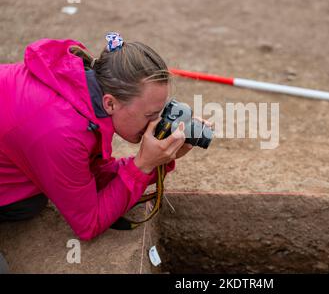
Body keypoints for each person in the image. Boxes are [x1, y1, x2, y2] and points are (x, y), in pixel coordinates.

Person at [0, 32, 196, 240]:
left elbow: (91, 175)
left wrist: (160, 159)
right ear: (110, 103)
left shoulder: (81, 95)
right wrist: (142, 166)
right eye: (150, 115)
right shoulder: (63, 131)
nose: (156, 123)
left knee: (29, 203)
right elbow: (88, 223)